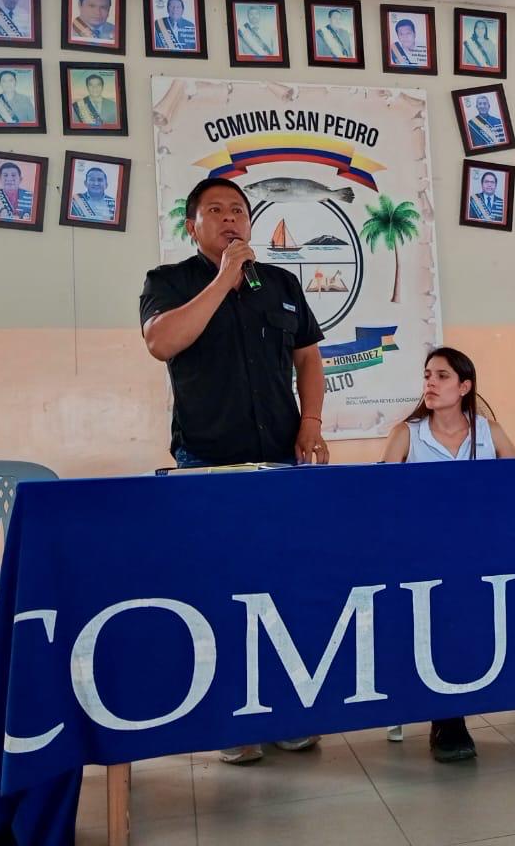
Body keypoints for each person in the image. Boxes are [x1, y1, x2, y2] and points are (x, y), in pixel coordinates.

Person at [140, 177, 329, 765]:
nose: (230, 219)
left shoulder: (281, 284)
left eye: (239, 211)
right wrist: (224, 279)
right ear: (192, 224)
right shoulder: (168, 282)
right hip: (207, 460)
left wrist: (311, 421)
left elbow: (308, 357)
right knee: (219, 590)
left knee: (284, 586)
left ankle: (287, 711)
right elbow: (161, 343)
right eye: (216, 210)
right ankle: (230, 719)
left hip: (280, 458)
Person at [381, 347, 515, 760]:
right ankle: (447, 721)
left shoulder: (489, 432)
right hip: (431, 556)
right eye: (428, 375)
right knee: (442, 612)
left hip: (492, 549)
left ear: (464, 386)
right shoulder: (407, 434)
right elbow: (383, 500)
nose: (430, 383)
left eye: (442, 376)